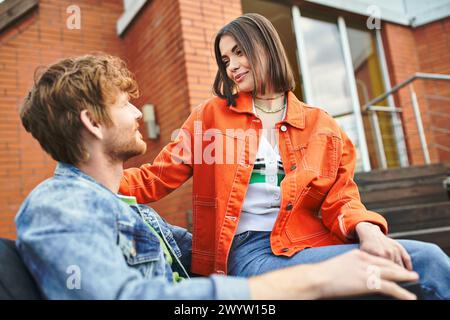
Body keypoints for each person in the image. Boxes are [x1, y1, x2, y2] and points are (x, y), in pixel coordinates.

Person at [15, 54, 420, 300]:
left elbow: (216, 251)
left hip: (275, 255)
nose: (139, 114)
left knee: (410, 266)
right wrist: (311, 281)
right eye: (125, 104)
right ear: (93, 122)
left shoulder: (135, 213)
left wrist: (359, 230)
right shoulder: (60, 205)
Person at [118, 14, 450, 299]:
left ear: (265, 47)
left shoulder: (321, 125)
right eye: (225, 60)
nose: (232, 66)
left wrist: (371, 233)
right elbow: (155, 178)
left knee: (425, 259)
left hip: (315, 243)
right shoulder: (211, 118)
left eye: (238, 52)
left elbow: (342, 198)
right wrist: (87, 179)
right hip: (250, 251)